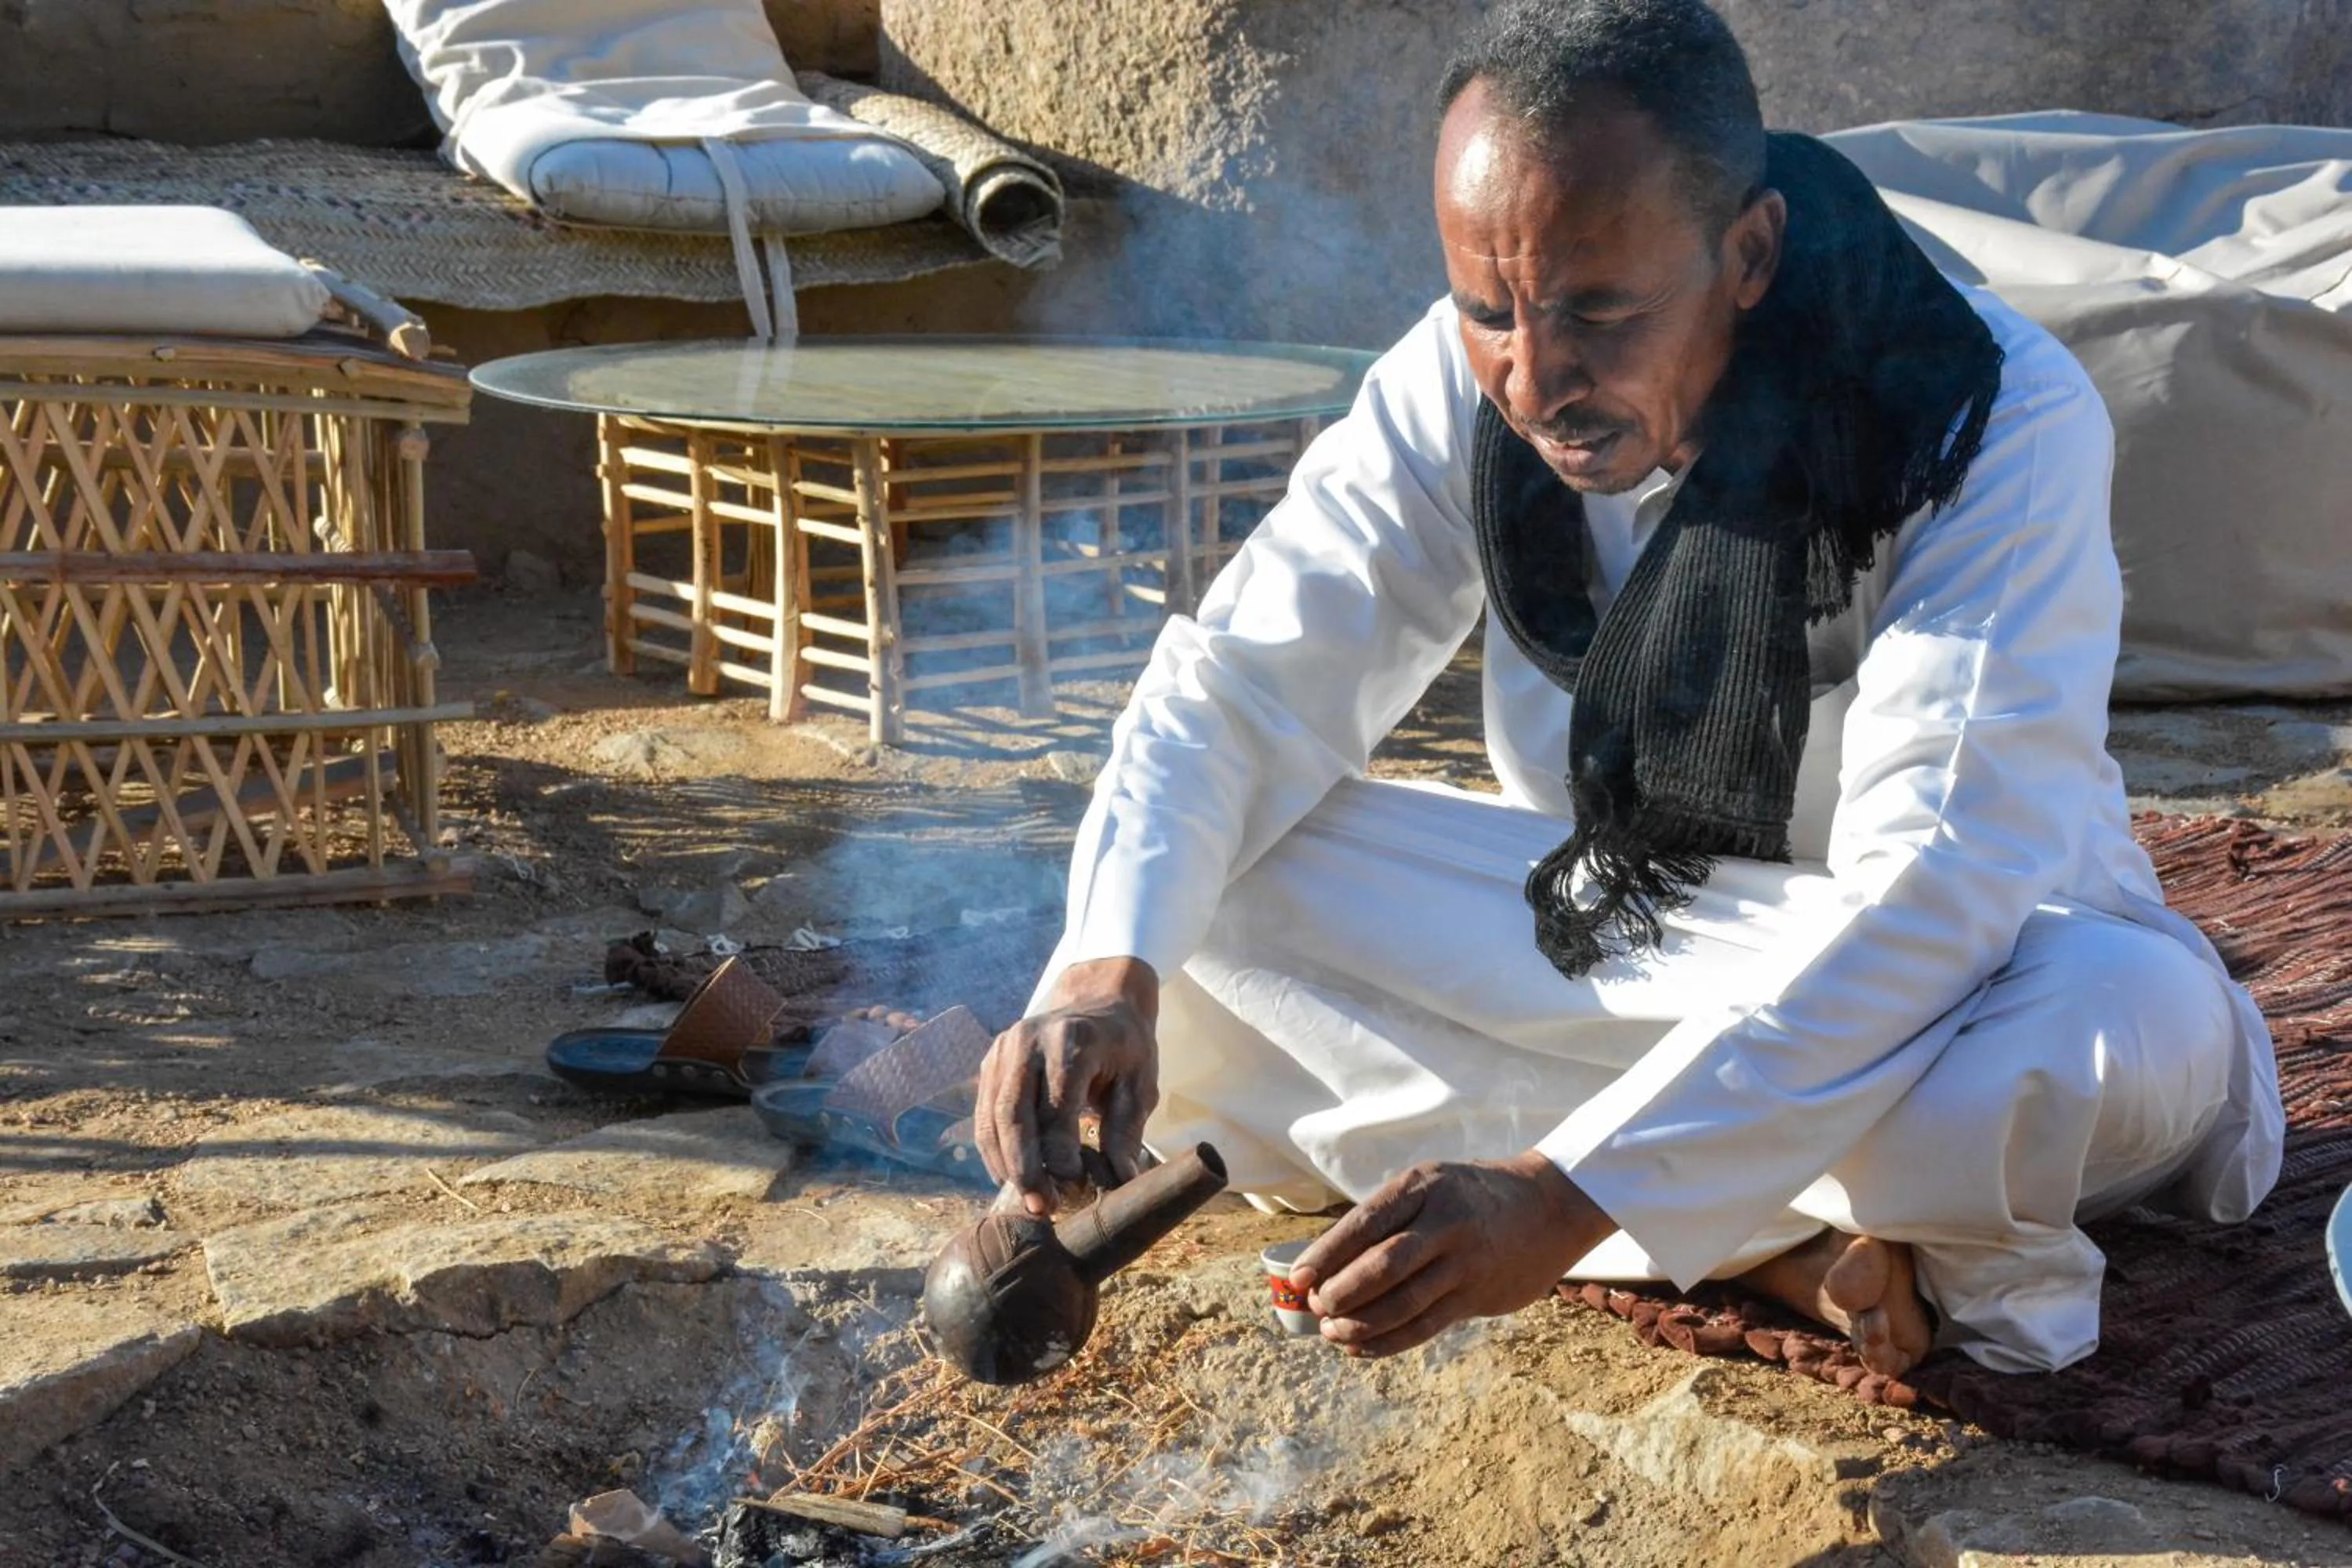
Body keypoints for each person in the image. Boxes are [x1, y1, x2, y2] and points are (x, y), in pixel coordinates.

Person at [972, 0, 2284, 1378]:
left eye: (1602, 311)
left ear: (1750, 254)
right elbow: (1241, 687)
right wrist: (1104, 979)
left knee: (2061, 1045)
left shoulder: (1987, 415)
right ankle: (1772, 1234)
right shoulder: (1461, 379)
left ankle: (1662, 1199)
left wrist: (1560, 1196)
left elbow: (1936, 893)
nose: (1534, 379)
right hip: (1636, 950)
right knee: (1204, 913)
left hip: (1979, 975)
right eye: (1492, 312)